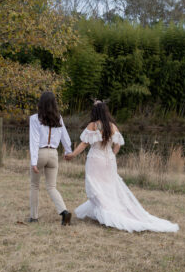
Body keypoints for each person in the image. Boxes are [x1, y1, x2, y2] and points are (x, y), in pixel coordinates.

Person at [65, 100, 178, 233]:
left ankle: (107, 214)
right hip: (109, 160)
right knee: (109, 186)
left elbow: (84, 144)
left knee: (96, 186)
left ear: (94, 112)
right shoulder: (112, 126)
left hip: (95, 160)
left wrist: (72, 155)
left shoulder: (93, 125)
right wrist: (111, 155)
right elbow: (118, 145)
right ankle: (109, 210)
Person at [29, 91, 73, 226]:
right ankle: (64, 211)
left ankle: (34, 217)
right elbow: (65, 136)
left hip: (41, 153)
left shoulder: (35, 118)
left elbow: (34, 141)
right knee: (52, 187)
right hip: (53, 154)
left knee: (35, 185)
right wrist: (68, 151)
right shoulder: (58, 118)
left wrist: (34, 161)